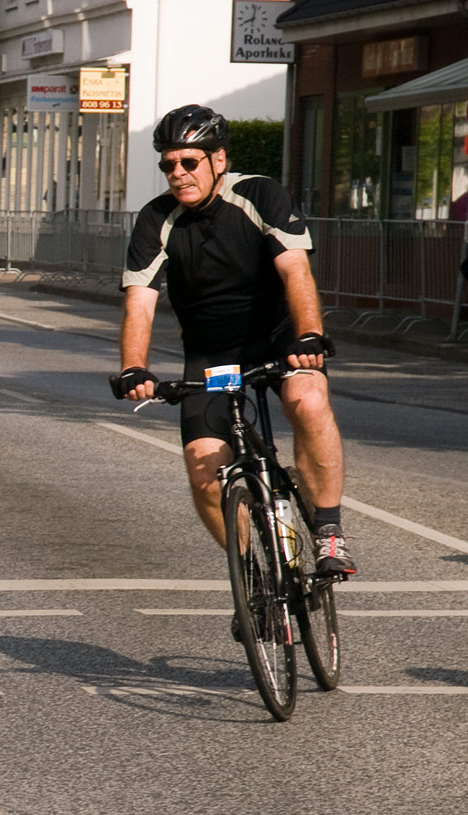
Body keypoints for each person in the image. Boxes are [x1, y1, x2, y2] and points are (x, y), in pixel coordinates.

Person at [115, 104, 356, 597]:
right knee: (204, 469)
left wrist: (309, 336)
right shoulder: (156, 219)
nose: (178, 174)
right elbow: (140, 302)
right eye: (168, 165)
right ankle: (252, 577)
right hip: (213, 356)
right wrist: (133, 367)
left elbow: (295, 270)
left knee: (308, 402)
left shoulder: (258, 194)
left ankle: (328, 530)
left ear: (218, 160)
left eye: (189, 162)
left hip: (279, 341)